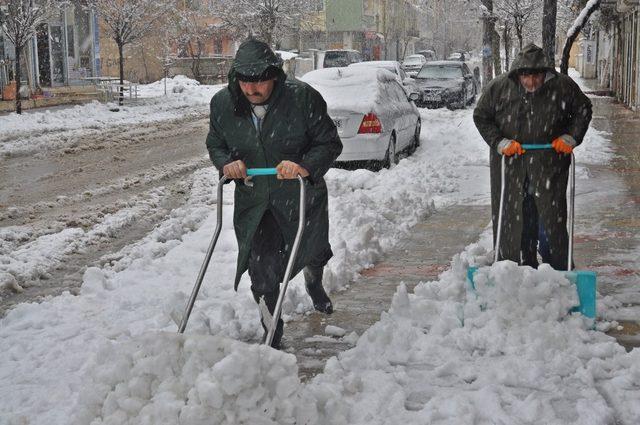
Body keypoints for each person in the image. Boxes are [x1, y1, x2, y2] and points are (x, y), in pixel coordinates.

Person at [206, 39, 343, 349]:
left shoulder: (302, 98)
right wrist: (227, 164)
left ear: (275, 76)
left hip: (299, 194)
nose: (252, 90)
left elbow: (329, 143)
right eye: (245, 82)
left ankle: (314, 282)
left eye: (259, 82)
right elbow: (215, 144)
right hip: (256, 200)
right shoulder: (223, 105)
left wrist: (304, 166)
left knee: (315, 248)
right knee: (261, 267)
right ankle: (272, 326)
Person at [473, 43, 592, 270]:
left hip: (549, 166)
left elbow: (583, 109)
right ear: (518, 74)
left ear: (545, 73)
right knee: (514, 218)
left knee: (550, 220)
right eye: (525, 77)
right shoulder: (499, 88)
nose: (531, 82)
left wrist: (571, 137)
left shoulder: (562, 87)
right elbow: (481, 115)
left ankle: (556, 268)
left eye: (536, 76)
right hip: (511, 167)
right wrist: (499, 142)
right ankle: (512, 267)